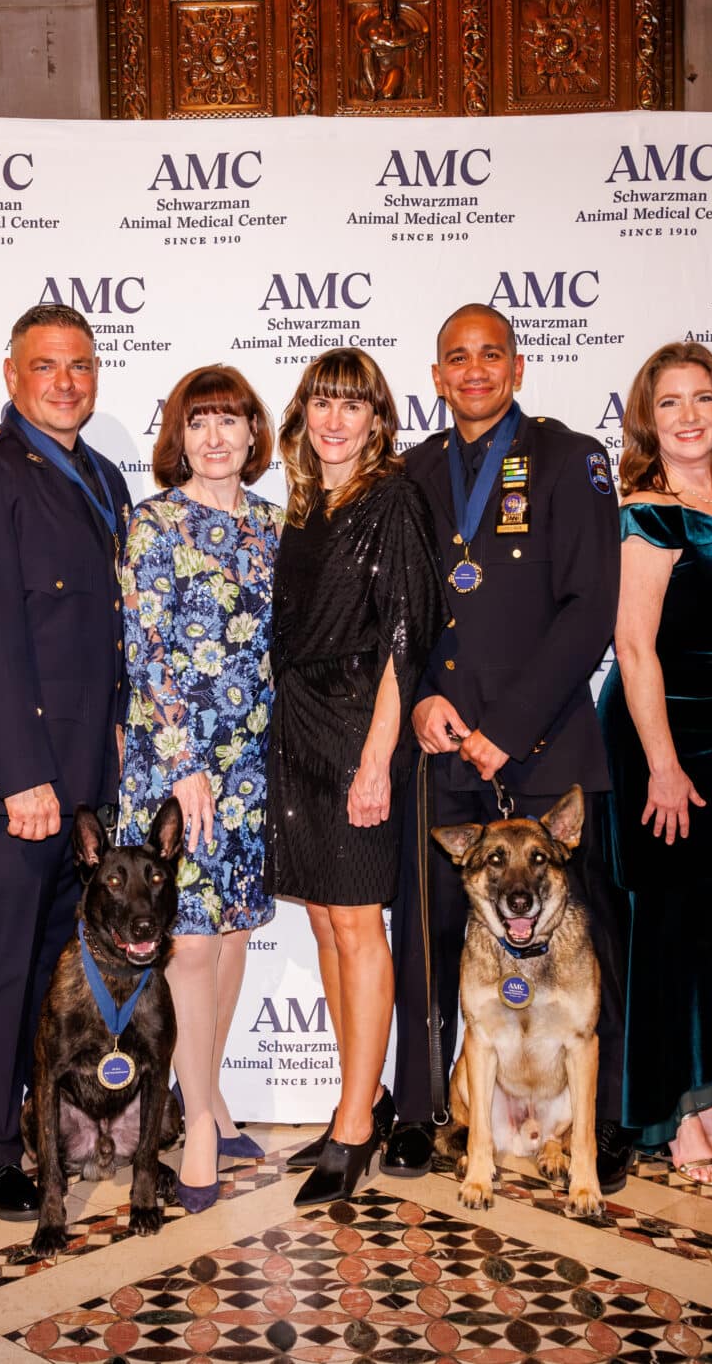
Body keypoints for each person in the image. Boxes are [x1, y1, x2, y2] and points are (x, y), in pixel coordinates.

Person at [386, 303, 631, 1189]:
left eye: (492, 354)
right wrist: (418, 702)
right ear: (439, 375)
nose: (476, 370)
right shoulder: (408, 472)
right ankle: (419, 1113)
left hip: (546, 752)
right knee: (427, 937)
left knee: (575, 950)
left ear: (518, 367)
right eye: (458, 357)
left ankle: (597, 1128)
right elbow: (398, 614)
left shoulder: (572, 462)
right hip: (441, 750)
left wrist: (505, 730)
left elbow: (588, 611)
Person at [0, 304, 132, 1220]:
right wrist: (22, 777)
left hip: (84, 783)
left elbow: (111, 637)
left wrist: (116, 741)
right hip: (12, 787)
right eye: (46, 367)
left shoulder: (105, 478)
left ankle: (38, 1123)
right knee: (0, 969)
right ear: (10, 374)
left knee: (56, 978)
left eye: (81, 366)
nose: (66, 382)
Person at [266, 346, 441, 1206]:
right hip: (298, 730)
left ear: (378, 419)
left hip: (355, 730)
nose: (335, 421)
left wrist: (377, 760)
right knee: (331, 926)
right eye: (322, 404)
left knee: (359, 924)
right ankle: (356, 1097)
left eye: (352, 406)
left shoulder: (392, 499)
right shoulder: (305, 503)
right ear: (303, 415)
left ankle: (355, 1130)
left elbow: (408, 638)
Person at [596, 343, 712, 1184]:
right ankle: (684, 1113)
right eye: (670, 403)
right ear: (647, 419)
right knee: (668, 935)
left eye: (703, 398)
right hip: (660, 739)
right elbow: (633, 645)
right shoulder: (649, 513)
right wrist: (663, 766)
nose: (689, 416)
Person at [118, 364, 280, 1212]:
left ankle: (206, 1095)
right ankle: (202, 1130)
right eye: (199, 422)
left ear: (256, 435)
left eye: (231, 421)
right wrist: (183, 765)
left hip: (254, 764)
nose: (215, 438)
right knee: (189, 941)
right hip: (176, 764)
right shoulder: (153, 526)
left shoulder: (275, 528)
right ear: (177, 436)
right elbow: (146, 651)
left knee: (238, 932)